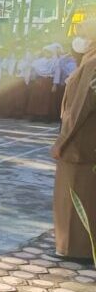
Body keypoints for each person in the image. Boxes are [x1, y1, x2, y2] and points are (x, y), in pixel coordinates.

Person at [52, 22, 96, 260]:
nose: (78, 39)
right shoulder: (87, 61)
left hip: (79, 143)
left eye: (83, 34)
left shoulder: (92, 64)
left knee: (75, 197)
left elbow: (79, 109)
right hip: (87, 142)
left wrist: (62, 140)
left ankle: (74, 249)